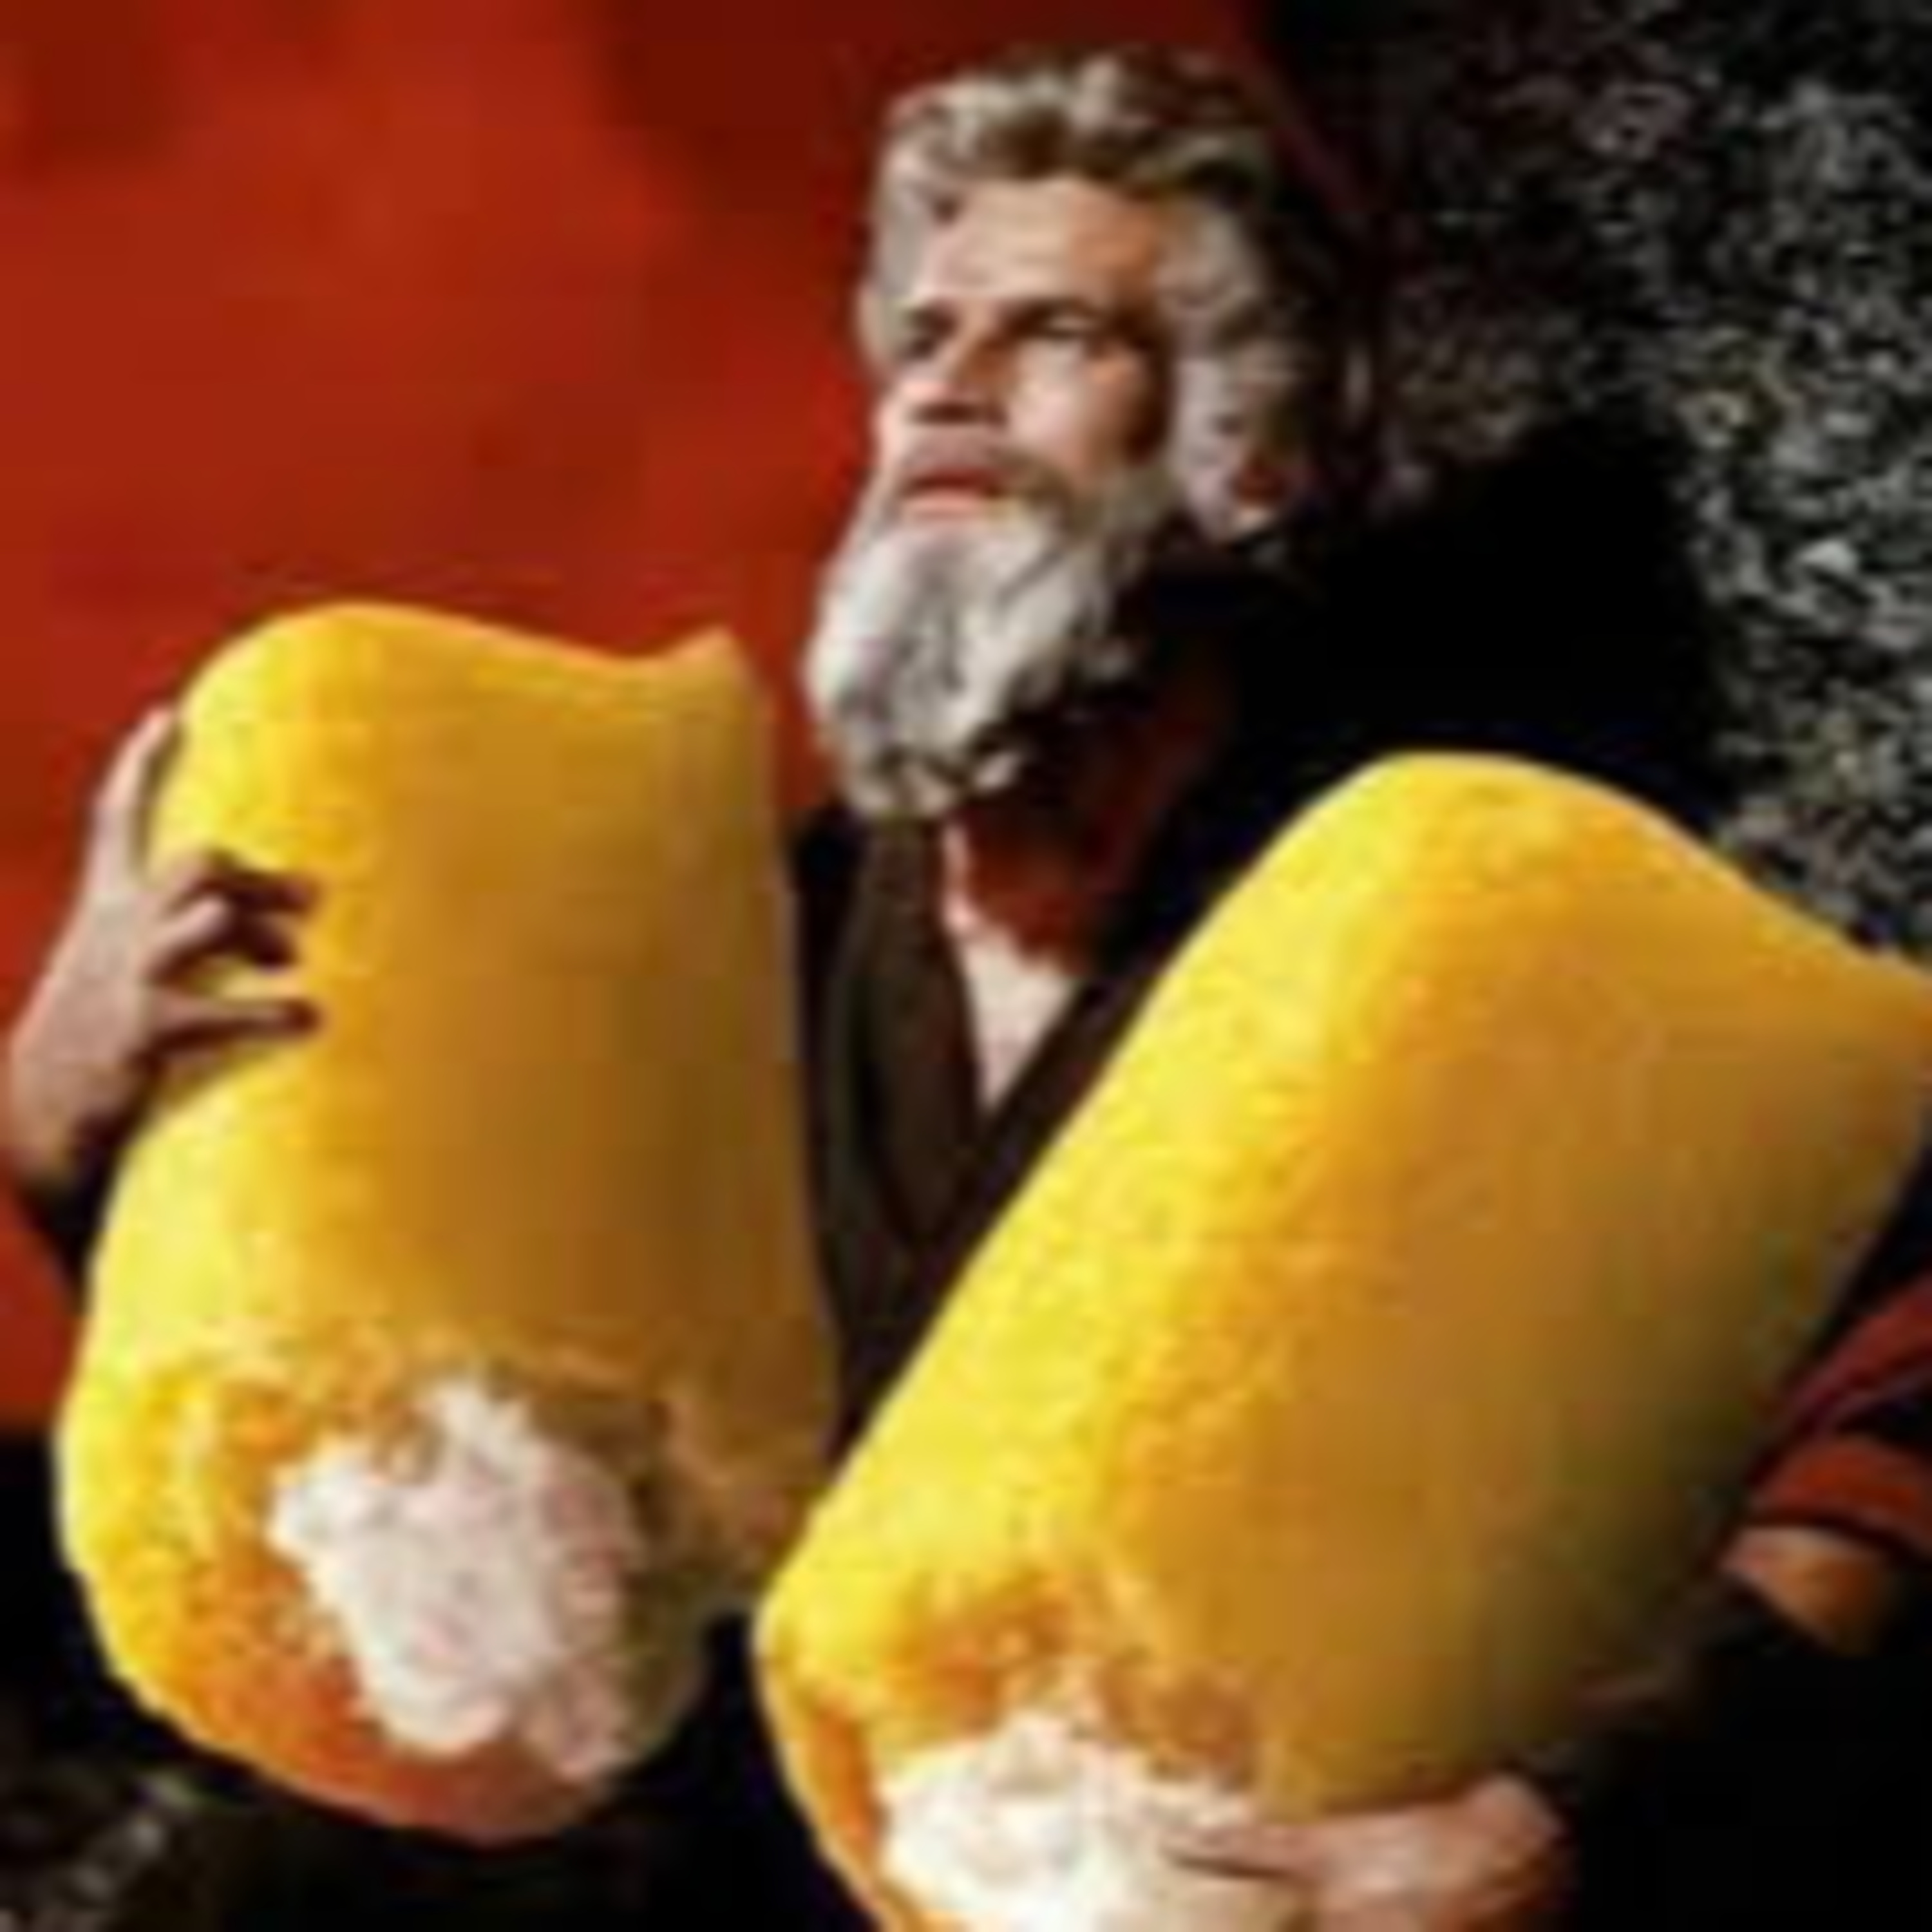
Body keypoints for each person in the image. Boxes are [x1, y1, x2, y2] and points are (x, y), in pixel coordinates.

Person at [6, 41, 1932, 1931]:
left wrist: (1567, 1822)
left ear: (1257, 455)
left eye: (1057, 337)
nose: (946, 389)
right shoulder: (747, 941)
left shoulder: (1470, 922)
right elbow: (479, 1514)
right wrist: (79, 1132)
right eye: (924, 339)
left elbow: (1897, 1370)